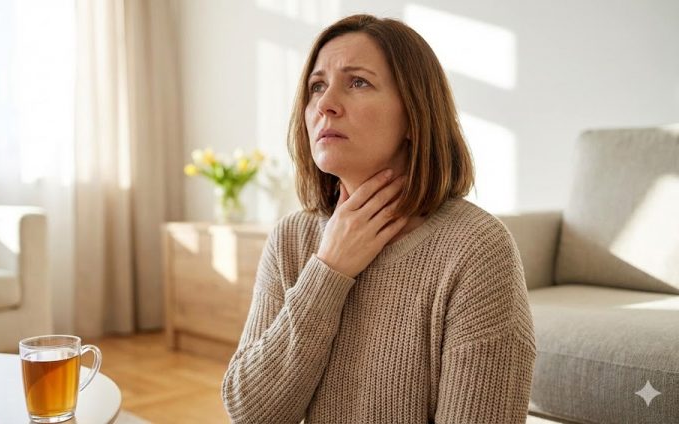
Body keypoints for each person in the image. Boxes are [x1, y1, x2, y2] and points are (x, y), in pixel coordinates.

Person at [222, 14, 536, 424]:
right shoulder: (291, 238)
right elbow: (250, 413)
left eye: (358, 82)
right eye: (317, 86)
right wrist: (328, 269)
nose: (325, 104)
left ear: (415, 115)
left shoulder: (476, 248)